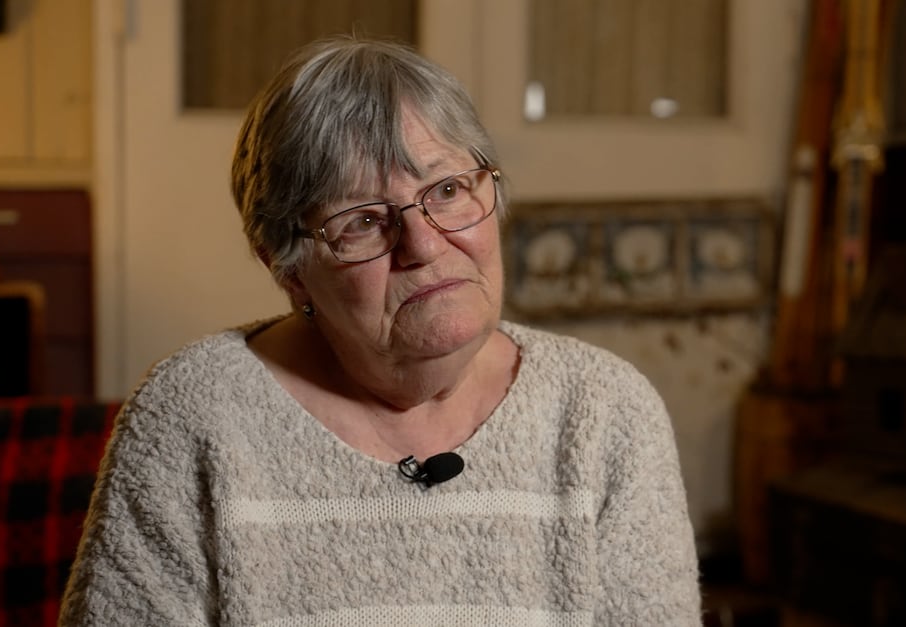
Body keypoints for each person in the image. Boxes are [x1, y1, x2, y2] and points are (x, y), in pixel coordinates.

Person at [60, 35, 701, 626]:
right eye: (363, 221)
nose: (424, 244)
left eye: (448, 189)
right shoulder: (193, 414)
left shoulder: (606, 411)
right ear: (289, 270)